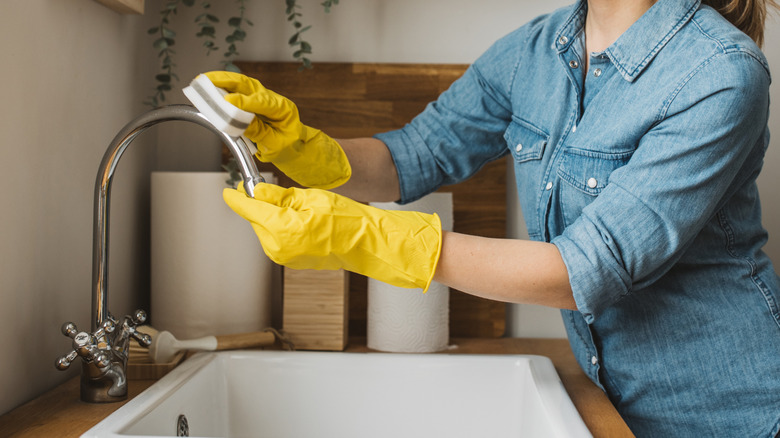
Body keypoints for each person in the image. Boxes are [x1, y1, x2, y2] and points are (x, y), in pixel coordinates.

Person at [209, 0, 780, 435]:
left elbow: (586, 269)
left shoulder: (720, 72)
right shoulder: (535, 52)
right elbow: (416, 154)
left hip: (731, 409)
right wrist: (301, 148)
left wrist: (373, 241)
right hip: (613, 402)